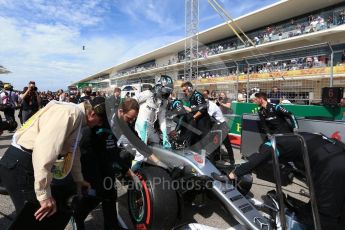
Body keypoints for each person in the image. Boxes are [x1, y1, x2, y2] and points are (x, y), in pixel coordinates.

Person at [0, 98, 107, 228]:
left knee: (37, 220)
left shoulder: (75, 114)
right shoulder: (71, 113)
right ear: (92, 114)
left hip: (21, 162)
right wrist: (43, 194)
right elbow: (44, 150)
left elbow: (73, 151)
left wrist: (79, 179)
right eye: (100, 121)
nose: (99, 125)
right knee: (35, 220)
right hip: (21, 164)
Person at [228, 132, 345, 229]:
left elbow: (259, 158)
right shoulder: (294, 137)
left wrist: (235, 173)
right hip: (338, 153)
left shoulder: (272, 143)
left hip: (332, 166)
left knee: (325, 215)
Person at [74, 98, 138, 230]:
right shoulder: (106, 117)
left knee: (110, 192)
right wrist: (128, 171)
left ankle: (111, 226)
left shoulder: (120, 122)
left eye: (133, 119)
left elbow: (113, 150)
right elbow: (110, 152)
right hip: (88, 154)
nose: (131, 122)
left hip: (103, 154)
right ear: (120, 112)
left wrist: (127, 170)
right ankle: (77, 217)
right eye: (129, 118)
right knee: (95, 193)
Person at [135, 75, 173, 150]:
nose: (166, 95)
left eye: (168, 92)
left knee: (157, 141)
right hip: (141, 125)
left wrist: (165, 134)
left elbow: (162, 119)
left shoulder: (164, 101)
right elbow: (132, 103)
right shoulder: (147, 94)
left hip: (150, 126)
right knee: (142, 149)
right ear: (159, 87)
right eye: (165, 92)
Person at [203, 90, 235, 164]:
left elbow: (208, 117)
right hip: (215, 125)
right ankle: (216, 159)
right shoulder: (206, 105)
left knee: (227, 144)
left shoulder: (211, 106)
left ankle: (232, 160)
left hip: (221, 125)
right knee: (215, 143)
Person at [181, 81, 212, 149]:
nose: (184, 92)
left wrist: (194, 117)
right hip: (197, 122)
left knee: (205, 142)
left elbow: (202, 109)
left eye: (184, 90)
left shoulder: (197, 95)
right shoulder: (191, 97)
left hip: (203, 123)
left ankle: (208, 158)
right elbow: (193, 109)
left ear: (189, 88)